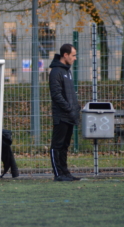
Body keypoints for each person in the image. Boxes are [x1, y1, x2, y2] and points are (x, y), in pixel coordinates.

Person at [49, 43, 81, 181]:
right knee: (57, 145)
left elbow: (69, 94)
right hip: (61, 116)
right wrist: (68, 107)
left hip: (70, 115)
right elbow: (56, 95)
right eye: (73, 55)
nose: (75, 58)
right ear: (65, 55)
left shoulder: (67, 71)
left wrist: (76, 108)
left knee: (65, 145)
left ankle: (65, 172)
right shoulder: (56, 72)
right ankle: (58, 174)